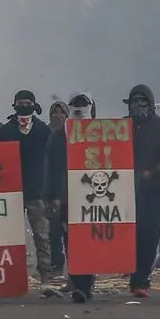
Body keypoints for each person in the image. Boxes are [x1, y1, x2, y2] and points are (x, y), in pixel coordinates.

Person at [0, 90, 55, 290]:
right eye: (20, 102)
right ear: (14, 105)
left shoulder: (43, 131)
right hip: (11, 193)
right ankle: (10, 277)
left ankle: (46, 276)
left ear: (34, 104)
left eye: (27, 102)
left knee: (41, 235)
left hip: (37, 191)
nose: (24, 105)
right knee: (9, 237)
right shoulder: (5, 132)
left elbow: (52, 161)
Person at [124, 85, 160, 297]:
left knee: (149, 235)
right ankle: (131, 274)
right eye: (134, 100)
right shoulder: (120, 127)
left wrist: (153, 172)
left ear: (151, 103)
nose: (138, 104)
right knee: (127, 235)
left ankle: (142, 280)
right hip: (123, 192)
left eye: (143, 101)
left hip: (153, 191)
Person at [47, 91, 97, 303]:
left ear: (90, 106)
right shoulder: (60, 134)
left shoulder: (101, 133)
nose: (79, 107)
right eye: (75, 103)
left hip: (94, 197)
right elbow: (52, 167)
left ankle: (85, 286)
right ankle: (77, 281)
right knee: (71, 240)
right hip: (68, 196)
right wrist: (53, 195)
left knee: (90, 240)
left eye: (83, 103)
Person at [46, 100, 69, 274]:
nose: (58, 115)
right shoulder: (44, 134)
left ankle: (75, 268)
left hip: (69, 190)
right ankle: (57, 264)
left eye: (62, 113)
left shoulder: (72, 135)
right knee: (52, 231)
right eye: (55, 112)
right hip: (48, 188)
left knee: (70, 232)